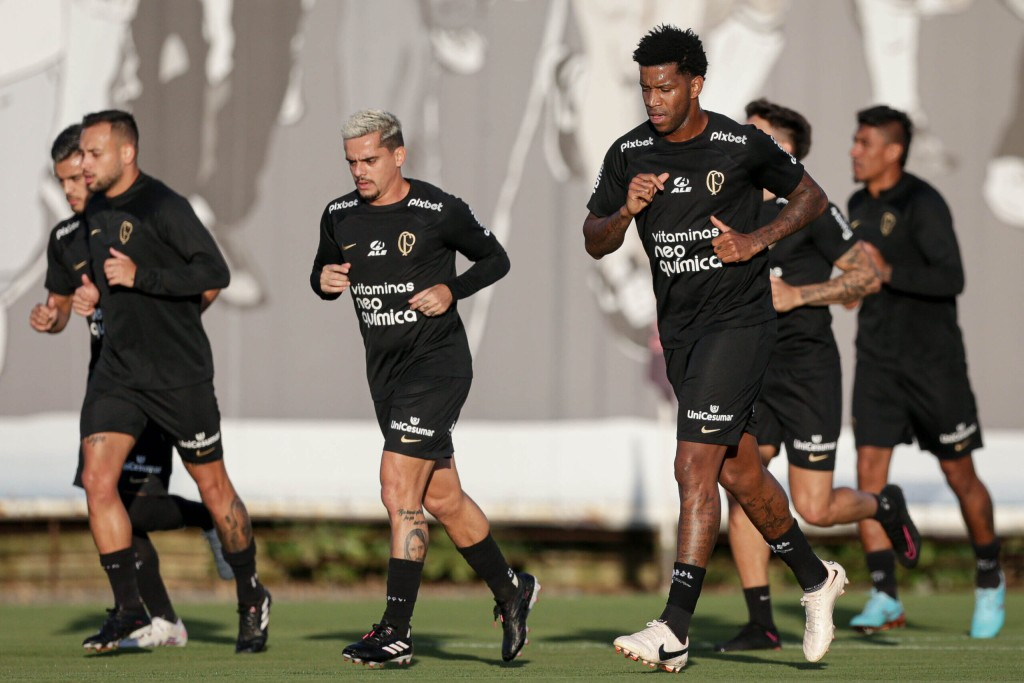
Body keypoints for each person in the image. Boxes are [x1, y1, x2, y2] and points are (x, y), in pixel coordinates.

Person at [582, 25, 847, 672]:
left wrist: (758, 241)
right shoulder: (629, 151)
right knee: (737, 470)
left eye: (666, 87)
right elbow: (594, 239)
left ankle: (674, 624)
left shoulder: (738, 142)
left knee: (693, 465)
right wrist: (624, 213)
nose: (654, 99)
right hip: (683, 334)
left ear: (696, 83)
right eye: (646, 88)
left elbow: (812, 196)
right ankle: (817, 578)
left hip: (740, 324)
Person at [310, 109, 538, 668]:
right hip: (384, 374)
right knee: (442, 497)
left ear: (397, 154)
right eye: (351, 162)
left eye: (368, 160)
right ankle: (511, 590)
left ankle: (395, 631)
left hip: (437, 366)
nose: (359, 171)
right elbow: (322, 273)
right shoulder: (340, 214)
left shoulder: (438, 209)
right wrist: (324, 280)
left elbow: (497, 259)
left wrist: (451, 289)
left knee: (397, 490)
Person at [714, 100, 921, 652]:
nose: (738, 139)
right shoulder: (726, 204)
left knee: (815, 508)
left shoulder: (809, 205)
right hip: (750, 367)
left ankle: (883, 504)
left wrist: (799, 296)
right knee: (741, 480)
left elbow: (867, 277)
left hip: (806, 369)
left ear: (782, 150)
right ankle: (761, 622)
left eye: (752, 134)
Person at [69, 110, 270, 653]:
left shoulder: (164, 206)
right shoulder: (94, 209)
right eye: (82, 154)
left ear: (126, 153)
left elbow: (215, 273)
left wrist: (145, 280)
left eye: (93, 153)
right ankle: (131, 611)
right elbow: (97, 279)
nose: (84, 163)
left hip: (179, 376)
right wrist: (87, 295)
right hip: (118, 375)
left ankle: (251, 595)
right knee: (97, 480)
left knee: (213, 487)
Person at [31, 124, 233, 650]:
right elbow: (56, 309)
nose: (74, 189)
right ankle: (151, 618)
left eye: (79, 175)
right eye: (64, 181)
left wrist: (170, 326)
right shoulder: (66, 238)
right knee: (105, 493)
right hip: (113, 382)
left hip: (162, 379)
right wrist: (51, 316)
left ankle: (204, 521)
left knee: (135, 506)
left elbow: (208, 278)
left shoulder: (141, 217)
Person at [847, 105, 1004, 639]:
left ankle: (989, 581)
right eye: (855, 141)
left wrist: (888, 271)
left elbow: (952, 277)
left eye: (864, 142)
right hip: (876, 362)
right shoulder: (854, 204)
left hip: (933, 365)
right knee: (870, 476)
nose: (854, 150)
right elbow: (858, 276)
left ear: (893, 150)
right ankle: (884, 595)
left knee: (959, 474)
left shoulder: (923, 202)